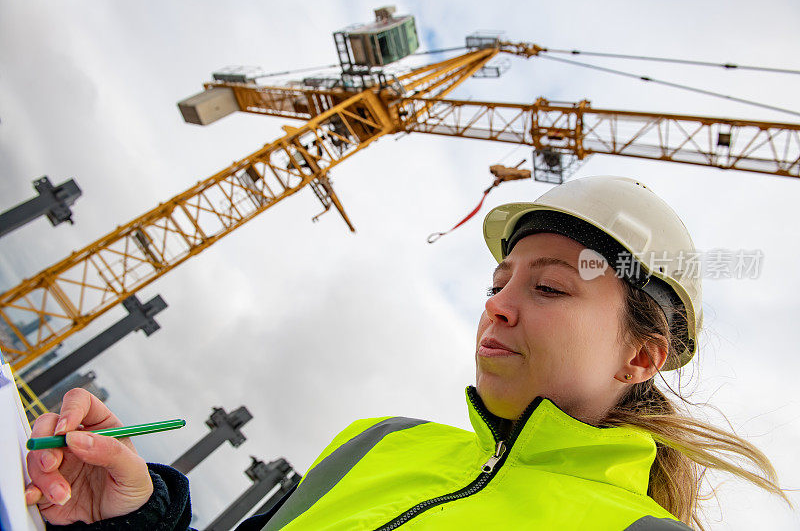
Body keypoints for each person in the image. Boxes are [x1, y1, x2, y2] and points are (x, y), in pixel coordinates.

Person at [24, 176, 789, 530]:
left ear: (640, 359)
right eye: (500, 280)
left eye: (551, 288)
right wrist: (129, 519)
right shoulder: (379, 444)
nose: (497, 303)